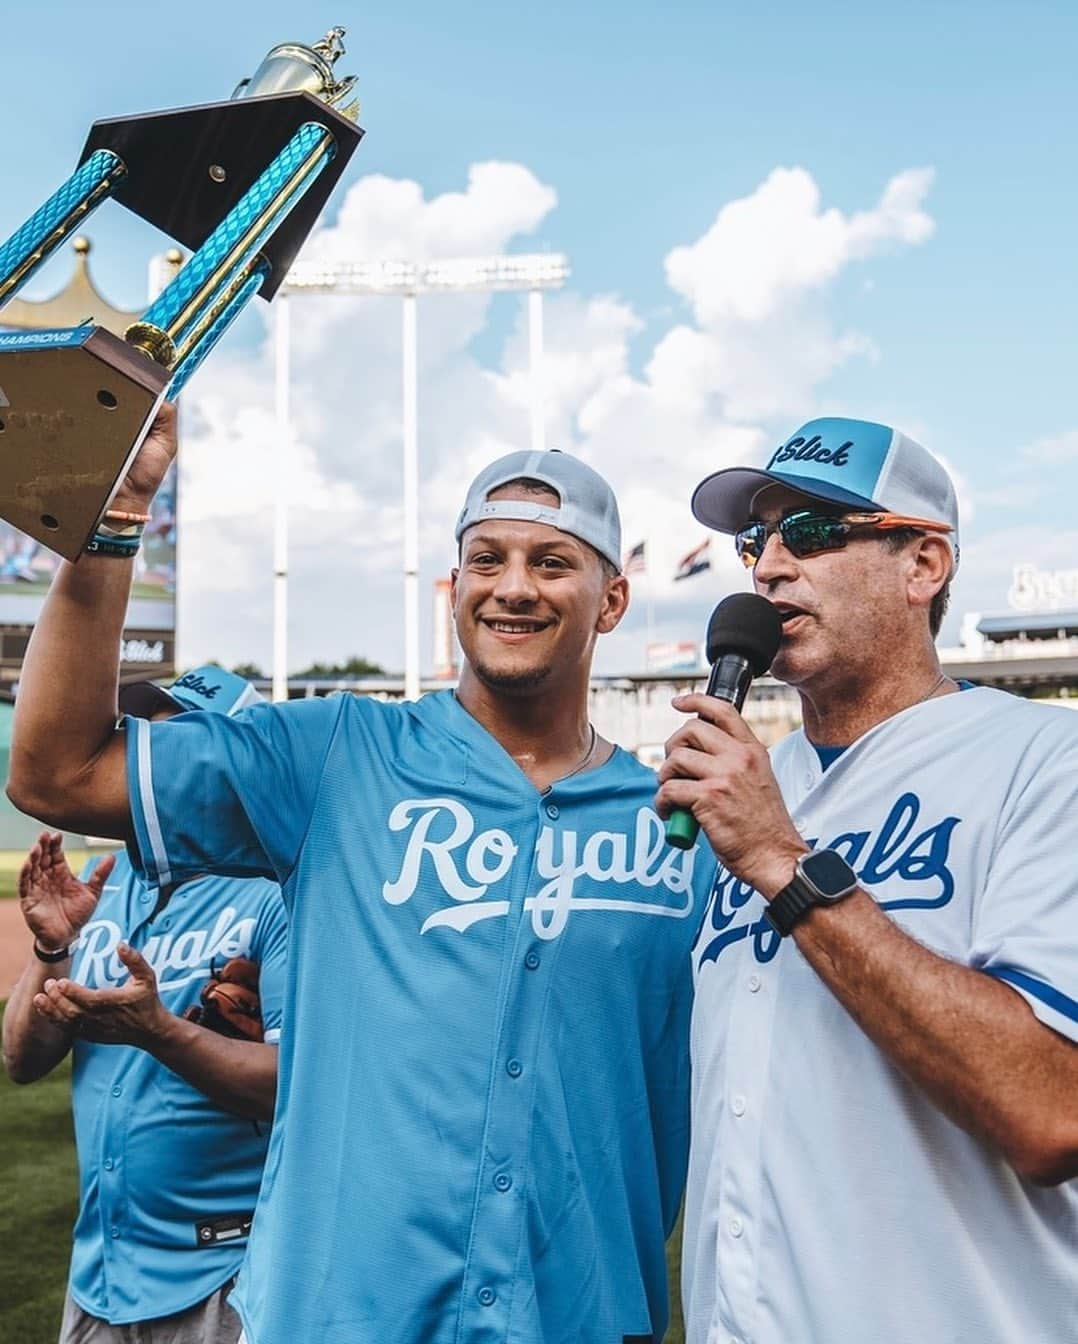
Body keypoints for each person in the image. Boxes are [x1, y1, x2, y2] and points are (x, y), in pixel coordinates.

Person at [7, 403, 718, 1344]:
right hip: (339, 1318)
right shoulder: (337, 751)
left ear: (613, 600)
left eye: (551, 563)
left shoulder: (682, 827)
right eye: (487, 559)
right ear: (451, 584)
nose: (513, 588)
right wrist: (114, 525)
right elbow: (54, 772)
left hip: (580, 1316)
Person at [656, 417, 1078, 1344]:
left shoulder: (1046, 762)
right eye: (754, 539)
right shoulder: (755, 788)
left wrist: (783, 866)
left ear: (922, 564)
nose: (767, 567)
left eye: (808, 532)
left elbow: (1052, 1110)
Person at [3, 665, 287, 1344]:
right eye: (139, 745)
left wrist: (159, 1032)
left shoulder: (279, 891)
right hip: (102, 1273)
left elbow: (295, 1089)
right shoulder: (112, 881)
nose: (142, 765)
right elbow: (20, 1059)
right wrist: (51, 951)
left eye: (172, 746)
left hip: (229, 1277)